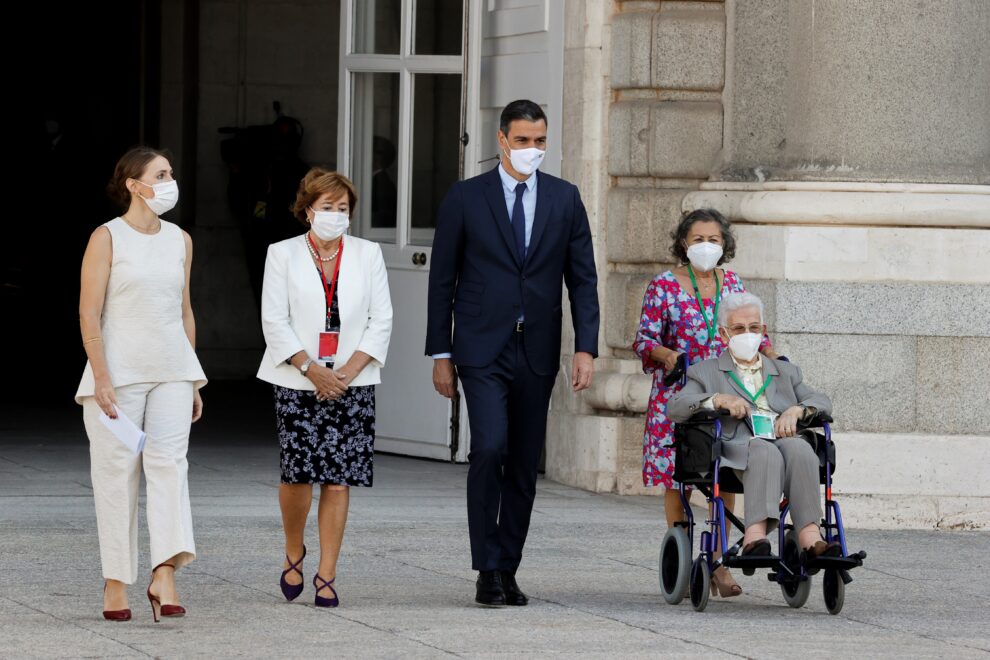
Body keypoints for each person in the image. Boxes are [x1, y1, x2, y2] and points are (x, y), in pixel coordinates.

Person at [426, 99, 600, 607]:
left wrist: (585, 349)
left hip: (538, 349)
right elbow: (442, 281)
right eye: (522, 140)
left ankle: (508, 566)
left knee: (524, 462)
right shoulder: (466, 197)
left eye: (540, 141)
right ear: (501, 140)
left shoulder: (565, 199)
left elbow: (583, 281)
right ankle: (485, 566)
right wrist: (441, 352)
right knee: (489, 448)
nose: (532, 150)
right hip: (480, 346)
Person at [77, 147, 207, 622]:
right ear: (134, 184)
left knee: (170, 466)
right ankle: (115, 582)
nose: (171, 180)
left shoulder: (180, 240)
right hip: (119, 373)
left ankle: (165, 571)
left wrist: (194, 379)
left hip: (173, 370)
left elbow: (184, 310)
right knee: (116, 475)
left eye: (171, 172)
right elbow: (89, 311)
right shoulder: (106, 237)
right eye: (161, 173)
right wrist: (102, 375)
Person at [257, 168, 392, 608]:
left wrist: (344, 374)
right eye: (327, 207)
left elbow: (381, 319)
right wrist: (312, 369)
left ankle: (327, 573)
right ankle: (294, 550)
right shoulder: (282, 254)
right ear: (307, 210)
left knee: (338, 481)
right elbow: (273, 320)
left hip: (353, 382)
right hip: (298, 380)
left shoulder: (368, 254)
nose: (336, 215)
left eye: (343, 208)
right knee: (298, 477)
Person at [632, 208, 775, 598]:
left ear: (725, 244)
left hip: (729, 395)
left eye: (714, 239)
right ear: (683, 243)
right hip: (680, 394)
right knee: (681, 477)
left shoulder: (734, 284)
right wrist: (666, 355)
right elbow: (644, 339)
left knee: (724, 471)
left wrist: (776, 365)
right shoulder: (664, 285)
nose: (706, 246)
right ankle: (680, 551)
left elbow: (757, 336)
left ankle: (718, 563)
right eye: (698, 239)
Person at [668, 292, 841, 563]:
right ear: (724, 335)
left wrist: (797, 410)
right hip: (735, 449)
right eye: (738, 329)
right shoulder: (705, 371)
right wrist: (718, 399)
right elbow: (676, 406)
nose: (747, 334)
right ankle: (755, 536)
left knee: (800, 447)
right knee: (763, 449)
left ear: (763, 331)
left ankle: (810, 536)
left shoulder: (786, 371)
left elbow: (821, 400)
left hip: (781, 438)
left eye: (754, 328)